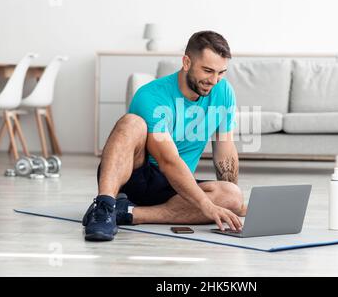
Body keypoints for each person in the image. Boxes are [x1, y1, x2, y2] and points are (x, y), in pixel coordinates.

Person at [83, 30, 247, 241]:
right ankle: (105, 204)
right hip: (137, 177)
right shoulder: (152, 95)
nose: (214, 80)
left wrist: (233, 201)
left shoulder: (223, 92)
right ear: (186, 62)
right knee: (131, 123)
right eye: (207, 71)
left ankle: (127, 213)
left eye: (221, 72)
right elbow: (168, 161)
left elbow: (225, 151)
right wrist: (207, 205)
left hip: (177, 185)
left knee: (232, 196)